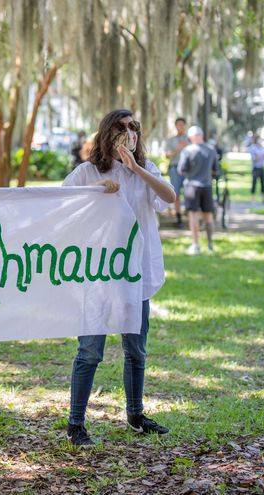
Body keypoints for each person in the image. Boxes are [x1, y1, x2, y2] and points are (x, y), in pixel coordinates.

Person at [61, 109, 176, 446]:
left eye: (133, 127)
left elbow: (169, 198)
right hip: (98, 272)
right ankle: (76, 424)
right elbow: (62, 205)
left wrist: (136, 169)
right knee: (90, 350)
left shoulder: (146, 171)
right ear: (107, 133)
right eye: (121, 127)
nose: (129, 132)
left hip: (136, 272)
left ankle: (136, 415)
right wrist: (97, 189)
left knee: (136, 349)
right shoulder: (87, 171)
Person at [178, 126, 220, 254]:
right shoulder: (211, 150)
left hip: (192, 186)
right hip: (207, 185)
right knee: (208, 216)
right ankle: (210, 244)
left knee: (193, 216)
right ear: (201, 135)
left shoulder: (187, 150)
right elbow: (217, 170)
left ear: (191, 137)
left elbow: (181, 170)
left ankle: (195, 245)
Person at [163, 118, 189, 226]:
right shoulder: (171, 140)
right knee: (176, 194)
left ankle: (190, 216)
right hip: (174, 168)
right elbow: (167, 155)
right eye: (178, 125)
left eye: (182, 125)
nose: (180, 127)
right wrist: (177, 149)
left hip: (188, 170)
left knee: (189, 194)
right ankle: (178, 219)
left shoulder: (190, 139)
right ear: (175, 126)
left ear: (185, 125)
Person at [247, 135, 264, 203]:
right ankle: (253, 198)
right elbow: (254, 159)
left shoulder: (263, 148)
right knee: (254, 183)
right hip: (256, 168)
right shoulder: (253, 148)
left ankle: (263, 198)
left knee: (263, 183)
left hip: (262, 167)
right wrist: (259, 156)